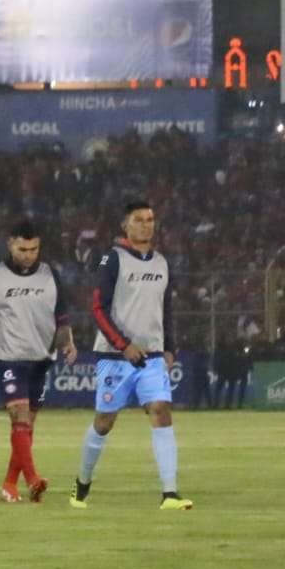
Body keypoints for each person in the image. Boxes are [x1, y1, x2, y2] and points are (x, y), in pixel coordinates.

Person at [70, 201, 192, 510]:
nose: (146, 225)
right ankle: (82, 484)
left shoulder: (162, 262)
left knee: (161, 410)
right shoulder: (113, 259)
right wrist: (123, 344)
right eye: (139, 220)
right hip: (115, 356)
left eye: (150, 219)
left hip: (151, 357)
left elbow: (166, 311)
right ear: (125, 224)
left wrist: (170, 348)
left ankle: (170, 494)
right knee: (104, 422)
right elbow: (97, 308)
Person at [0, 220, 76, 503]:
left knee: (26, 426)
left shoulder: (51, 275)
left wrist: (69, 343)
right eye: (23, 249)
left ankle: (9, 484)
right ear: (10, 244)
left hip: (41, 358)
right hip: (7, 356)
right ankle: (33, 479)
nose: (28, 254)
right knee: (19, 416)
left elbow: (61, 317)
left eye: (34, 249)